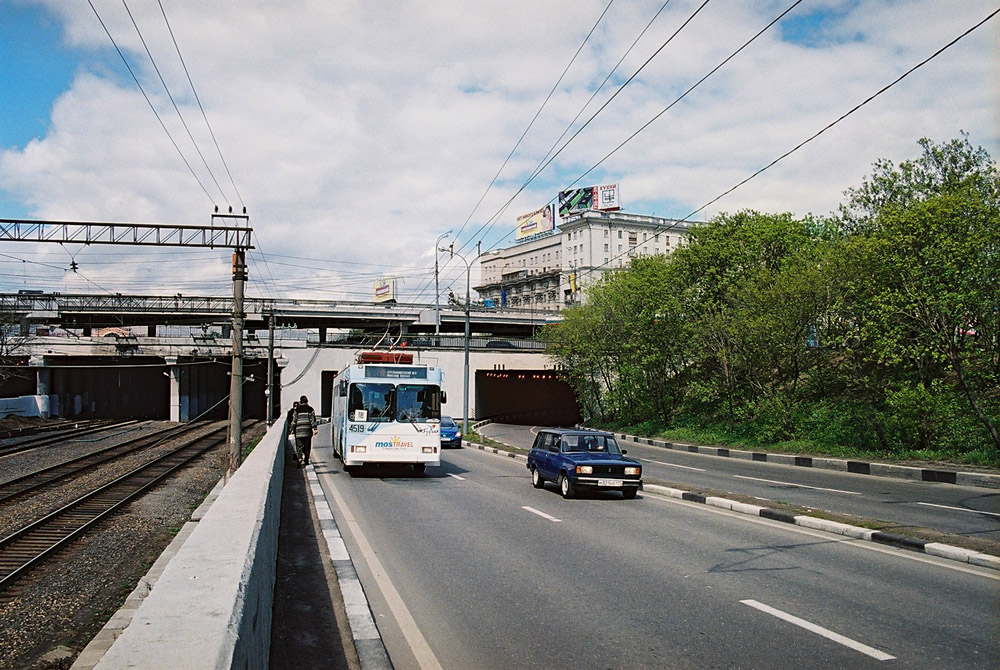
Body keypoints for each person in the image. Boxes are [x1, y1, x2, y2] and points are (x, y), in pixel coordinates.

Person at [293, 395, 318, 468]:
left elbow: (294, 420)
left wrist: (291, 429)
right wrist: (315, 428)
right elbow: (312, 420)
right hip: (307, 431)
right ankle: (306, 460)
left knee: (299, 447)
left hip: (299, 432)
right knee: (307, 446)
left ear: (300, 402)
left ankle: (300, 459)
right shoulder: (310, 409)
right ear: (307, 401)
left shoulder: (297, 410)